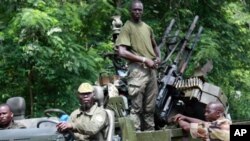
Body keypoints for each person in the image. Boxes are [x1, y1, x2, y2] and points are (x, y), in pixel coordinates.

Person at [115, 0, 161, 131]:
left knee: (150, 108)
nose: (137, 12)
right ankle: (135, 135)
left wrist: (158, 58)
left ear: (142, 11)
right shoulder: (127, 27)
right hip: (137, 70)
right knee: (136, 108)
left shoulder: (147, 27)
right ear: (131, 11)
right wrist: (144, 59)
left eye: (139, 10)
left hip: (151, 71)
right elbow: (121, 51)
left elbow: (155, 46)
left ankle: (150, 135)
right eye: (135, 9)